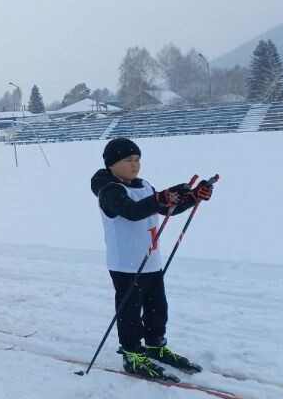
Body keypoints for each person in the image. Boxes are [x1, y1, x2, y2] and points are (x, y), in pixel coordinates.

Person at [89, 137, 213, 380]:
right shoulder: (110, 191)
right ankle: (132, 353)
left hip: (151, 260)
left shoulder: (143, 185)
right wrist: (161, 198)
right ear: (112, 164)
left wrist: (193, 197)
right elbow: (132, 211)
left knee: (158, 308)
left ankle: (156, 345)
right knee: (130, 311)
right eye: (128, 160)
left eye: (137, 160)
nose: (135, 165)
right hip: (126, 264)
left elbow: (165, 208)